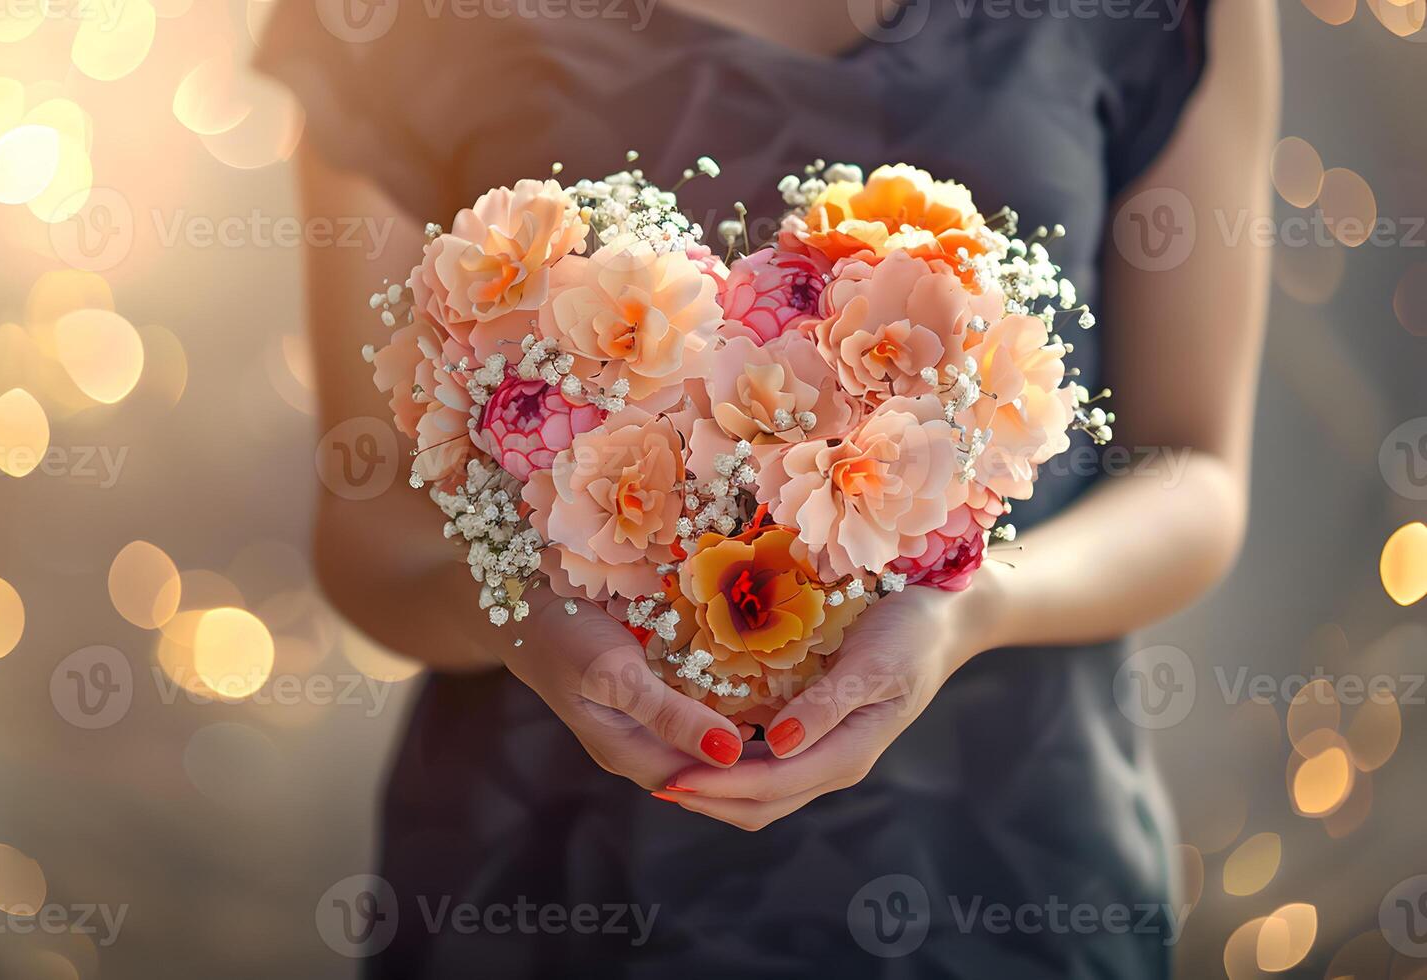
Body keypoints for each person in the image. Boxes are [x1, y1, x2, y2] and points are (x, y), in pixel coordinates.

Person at [260, 0, 1277, 973]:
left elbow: (1191, 470)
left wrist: (976, 602)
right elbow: (370, 508)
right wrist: (522, 623)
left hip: (996, 869)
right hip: (554, 872)